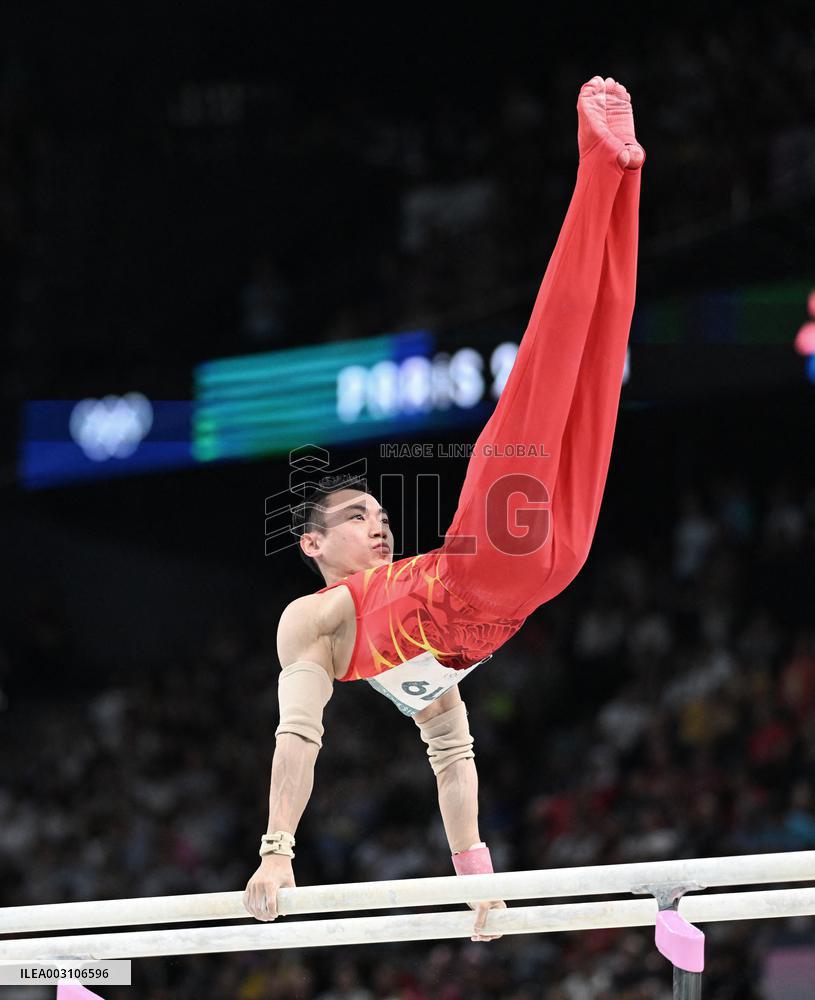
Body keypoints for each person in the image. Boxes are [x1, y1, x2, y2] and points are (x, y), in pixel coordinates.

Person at [243, 76, 645, 942]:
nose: (378, 523)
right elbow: (316, 738)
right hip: (541, 568)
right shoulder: (319, 623)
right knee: (587, 356)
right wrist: (282, 850)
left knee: (567, 350)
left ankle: (613, 169)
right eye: (356, 517)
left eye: (379, 513)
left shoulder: (400, 628)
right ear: (312, 543)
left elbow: (451, 761)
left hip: (495, 555)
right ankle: (611, 175)